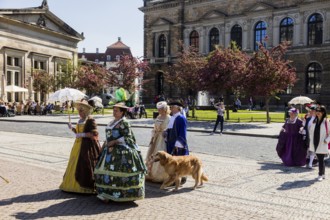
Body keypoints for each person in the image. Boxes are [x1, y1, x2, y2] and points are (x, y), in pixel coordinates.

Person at [94, 102, 147, 202]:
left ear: (122, 112)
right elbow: (109, 136)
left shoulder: (124, 123)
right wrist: (105, 144)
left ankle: (120, 195)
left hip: (121, 150)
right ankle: (106, 194)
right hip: (109, 150)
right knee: (105, 172)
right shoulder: (112, 122)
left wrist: (114, 141)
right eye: (113, 110)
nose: (114, 112)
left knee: (118, 172)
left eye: (116, 111)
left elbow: (128, 137)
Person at [60, 99, 101, 194]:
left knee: (85, 164)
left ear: (86, 110)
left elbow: (94, 133)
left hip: (87, 147)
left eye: (81, 110)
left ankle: (85, 187)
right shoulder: (80, 120)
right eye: (79, 110)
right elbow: (78, 133)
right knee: (74, 163)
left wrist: (82, 135)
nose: (79, 112)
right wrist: (72, 129)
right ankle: (71, 184)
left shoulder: (90, 120)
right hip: (77, 146)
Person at [145, 101, 170, 183]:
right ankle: (151, 173)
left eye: (161, 109)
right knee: (152, 154)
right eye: (158, 109)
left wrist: (164, 133)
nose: (159, 110)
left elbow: (169, 129)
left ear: (165, 109)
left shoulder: (168, 118)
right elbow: (154, 128)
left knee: (160, 154)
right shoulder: (158, 117)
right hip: (156, 137)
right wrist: (152, 138)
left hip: (163, 138)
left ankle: (160, 175)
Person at [165, 100, 189, 184]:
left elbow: (183, 133)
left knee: (180, 162)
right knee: (173, 162)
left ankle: (182, 178)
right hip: (170, 143)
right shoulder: (172, 117)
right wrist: (166, 134)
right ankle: (174, 178)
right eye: (170, 107)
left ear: (178, 108)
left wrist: (178, 144)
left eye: (172, 107)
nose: (171, 108)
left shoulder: (181, 118)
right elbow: (169, 129)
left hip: (177, 145)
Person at [308, 105, 330, 181]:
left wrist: (326, 140)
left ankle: (320, 174)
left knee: (320, 159)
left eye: (319, 111)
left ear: (323, 112)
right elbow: (311, 131)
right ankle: (323, 174)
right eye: (317, 111)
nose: (317, 112)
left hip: (322, 143)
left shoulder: (326, 122)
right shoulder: (314, 120)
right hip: (315, 142)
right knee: (321, 159)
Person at [303, 104, 317, 168]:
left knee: (313, 149)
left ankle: (311, 163)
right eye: (311, 110)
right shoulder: (308, 119)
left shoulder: (318, 119)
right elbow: (306, 127)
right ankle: (308, 161)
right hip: (308, 136)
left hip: (315, 136)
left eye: (313, 110)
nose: (311, 111)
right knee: (309, 149)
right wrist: (304, 132)